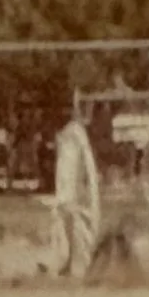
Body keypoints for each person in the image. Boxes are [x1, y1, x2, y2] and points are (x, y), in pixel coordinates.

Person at [52, 97, 102, 280]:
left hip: (72, 187)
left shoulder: (76, 133)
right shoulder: (66, 134)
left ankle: (79, 262)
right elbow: (63, 163)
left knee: (75, 225)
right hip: (65, 185)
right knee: (64, 223)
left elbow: (85, 162)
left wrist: (86, 184)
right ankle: (66, 262)